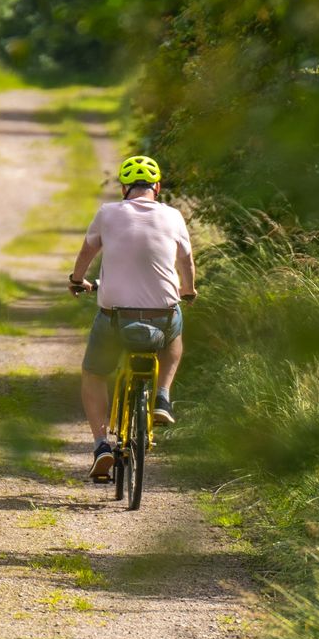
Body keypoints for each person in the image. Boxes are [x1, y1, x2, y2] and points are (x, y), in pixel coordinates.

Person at [68, 153, 196, 482]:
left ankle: (101, 445)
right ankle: (163, 397)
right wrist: (188, 290)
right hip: (163, 316)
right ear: (158, 186)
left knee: (93, 373)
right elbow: (187, 262)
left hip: (115, 319)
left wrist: (76, 279)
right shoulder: (173, 216)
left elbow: (86, 253)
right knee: (175, 335)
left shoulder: (108, 213)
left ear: (125, 188)